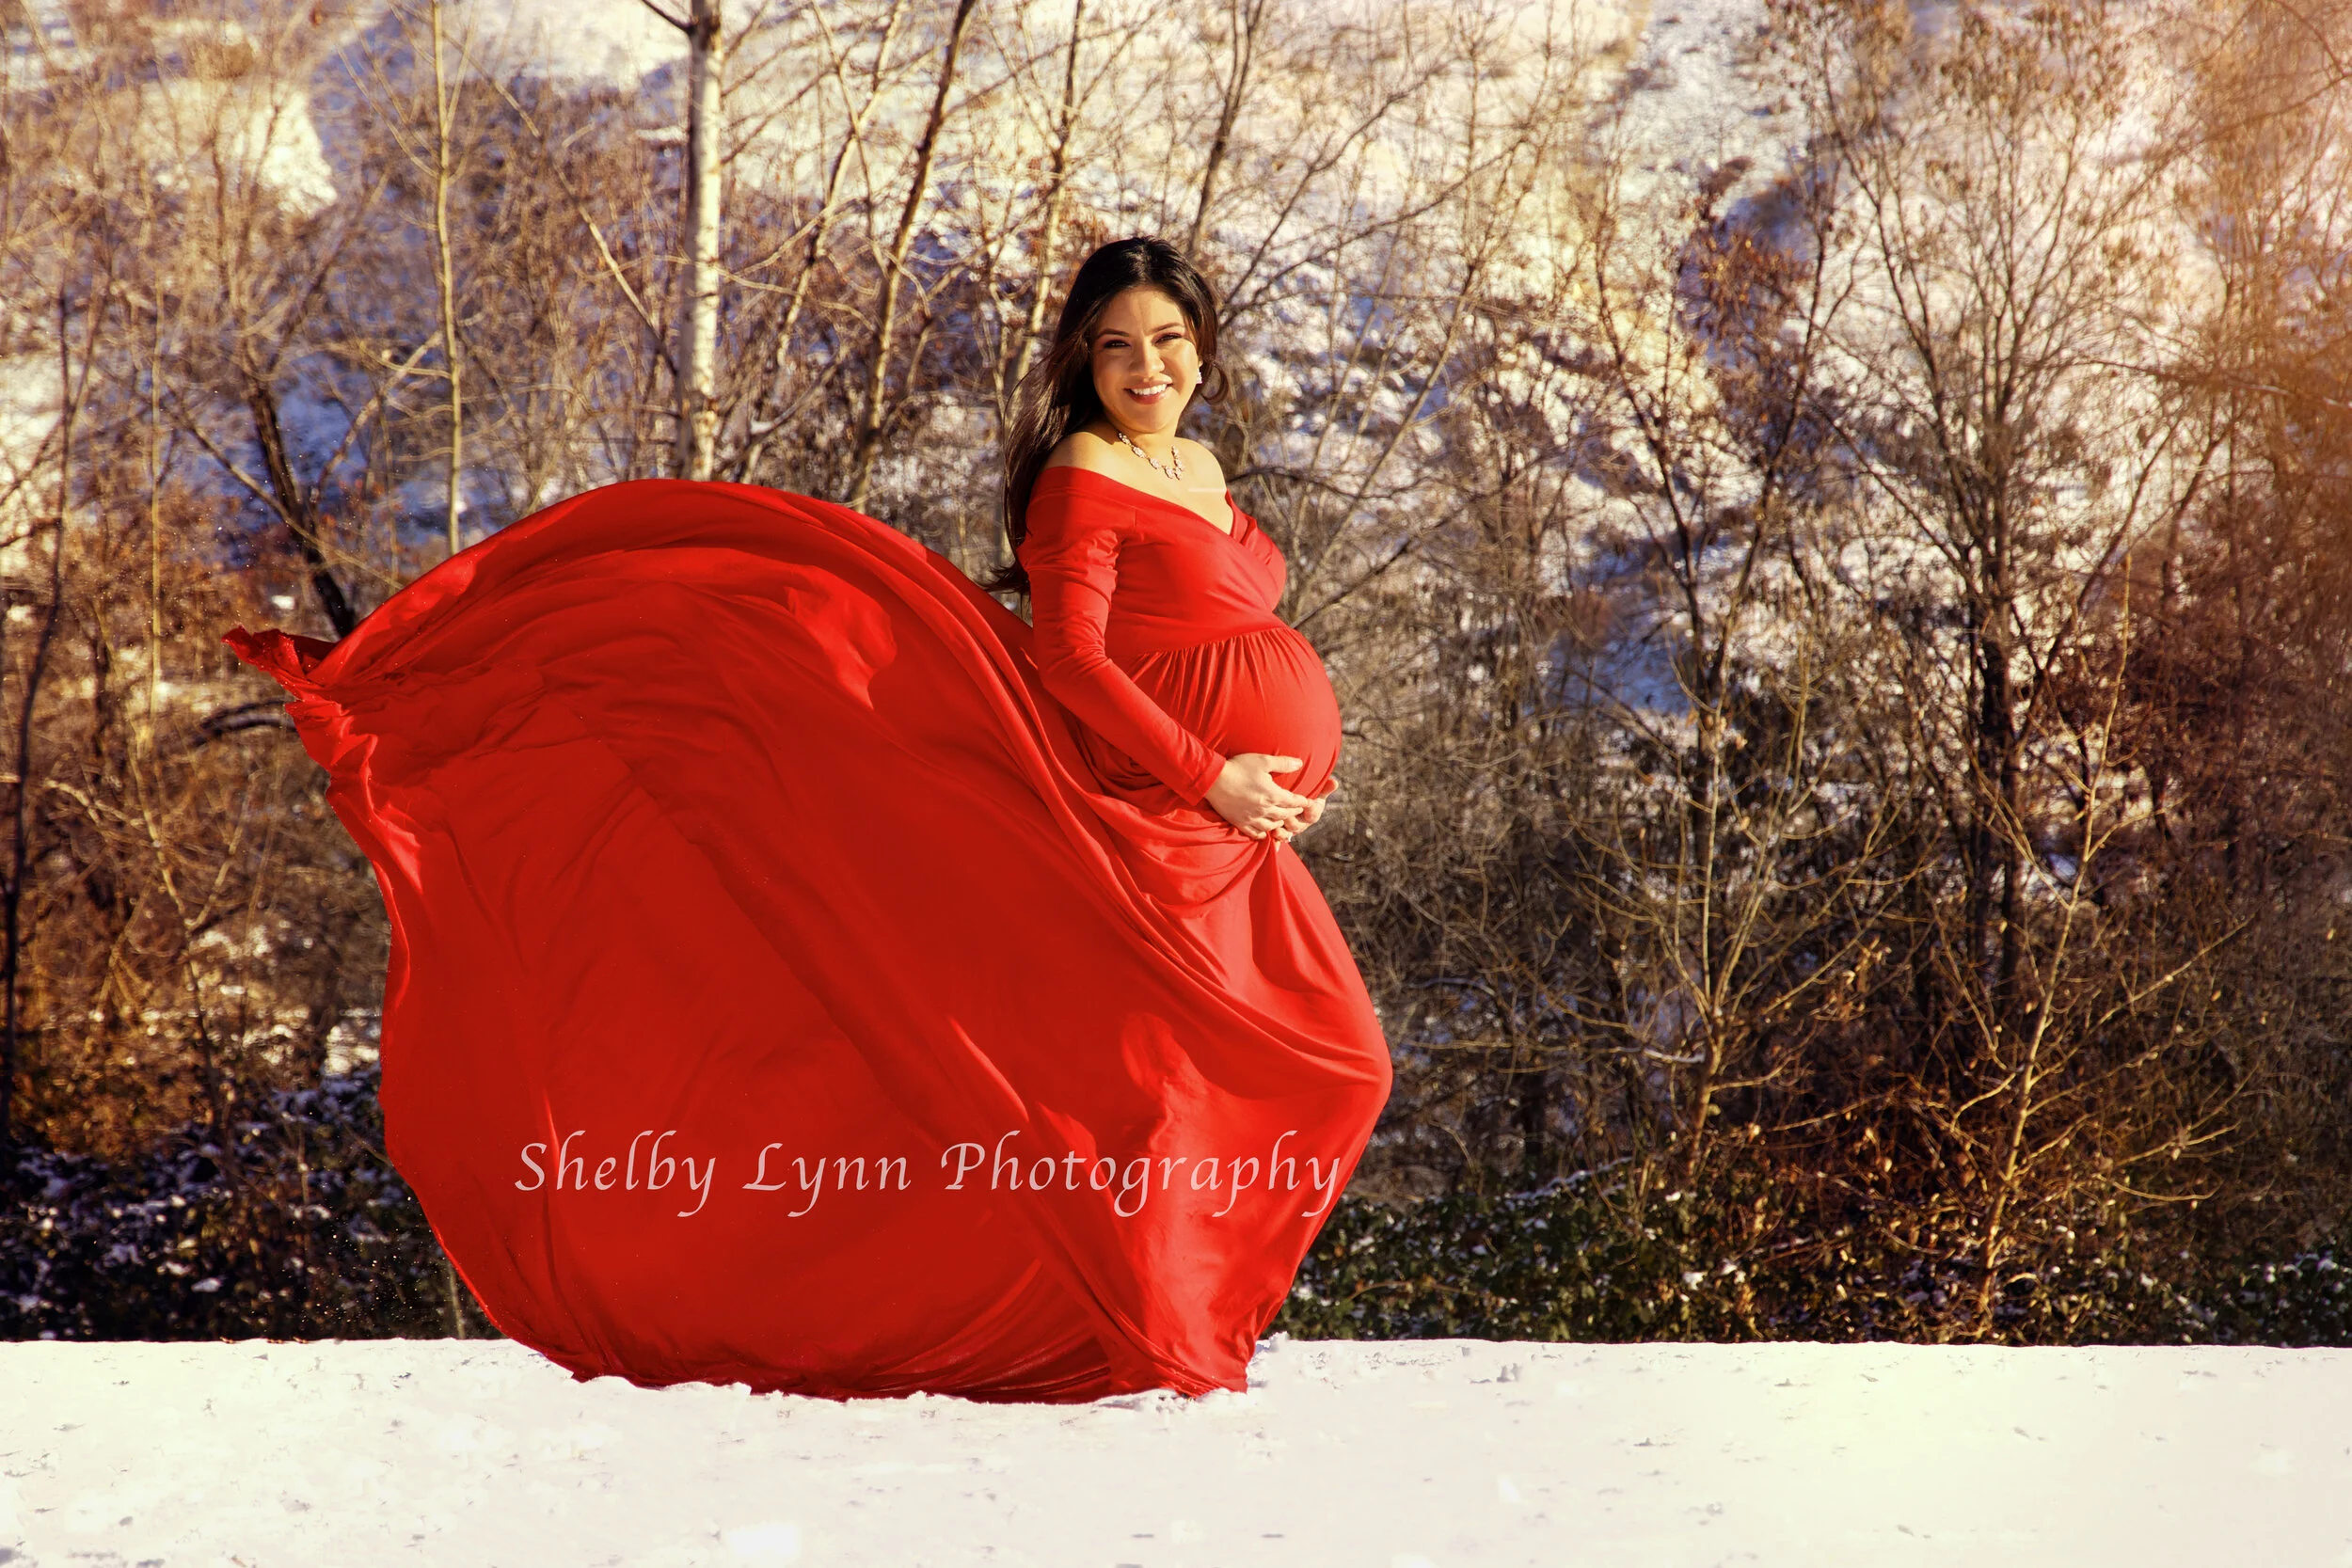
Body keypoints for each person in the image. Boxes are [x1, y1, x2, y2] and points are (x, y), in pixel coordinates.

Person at [221, 234, 1392, 1403]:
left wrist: (1277, 771)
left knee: (1278, 1065)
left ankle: (1149, 1317)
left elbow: (1212, 629)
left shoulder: (1197, 464)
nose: (1147, 366)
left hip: (1217, 829)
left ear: (1203, 347)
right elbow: (1073, 659)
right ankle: (1152, 1325)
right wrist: (1210, 771)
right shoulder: (1084, 469)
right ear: (1082, 361)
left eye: (1169, 340)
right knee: (1272, 1064)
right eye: (1117, 346)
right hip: (1141, 811)